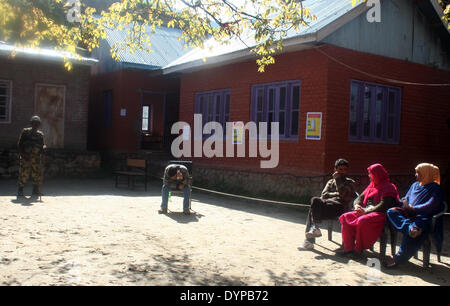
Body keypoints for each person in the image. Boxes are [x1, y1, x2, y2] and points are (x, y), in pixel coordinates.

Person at [385, 163, 444, 268]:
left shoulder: (435, 188)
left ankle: (398, 259)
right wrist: (403, 201)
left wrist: (414, 208)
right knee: (391, 211)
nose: (416, 175)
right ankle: (410, 228)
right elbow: (406, 198)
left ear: (427, 174)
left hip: (423, 217)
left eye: (419, 173)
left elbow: (432, 204)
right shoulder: (415, 185)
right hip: (409, 215)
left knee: (416, 228)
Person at [337, 163, 399, 257]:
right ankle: (348, 248)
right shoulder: (372, 186)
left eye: (371, 173)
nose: (369, 176)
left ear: (378, 174)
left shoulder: (389, 187)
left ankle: (358, 250)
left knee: (362, 220)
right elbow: (359, 198)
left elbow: (384, 205)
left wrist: (366, 211)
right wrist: (357, 205)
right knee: (346, 217)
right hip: (366, 211)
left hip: (380, 214)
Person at [302, 158, 356, 250]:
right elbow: (323, 195)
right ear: (335, 170)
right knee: (315, 200)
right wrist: (336, 194)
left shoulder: (350, 182)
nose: (343, 172)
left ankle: (309, 239)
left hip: (340, 207)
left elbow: (344, 196)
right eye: (340, 169)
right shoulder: (330, 182)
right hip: (328, 206)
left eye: (345, 170)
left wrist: (338, 181)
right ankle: (314, 229)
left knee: (313, 210)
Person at [17, 115, 46, 198]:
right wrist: (22, 154)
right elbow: (20, 144)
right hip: (26, 157)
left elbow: (42, 145)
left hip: (36, 158)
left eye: (37, 123)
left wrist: (44, 147)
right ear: (31, 123)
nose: (35, 125)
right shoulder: (25, 132)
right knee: (24, 174)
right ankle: (20, 190)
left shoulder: (40, 135)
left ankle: (35, 190)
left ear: (39, 124)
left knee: (36, 174)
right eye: (34, 123)